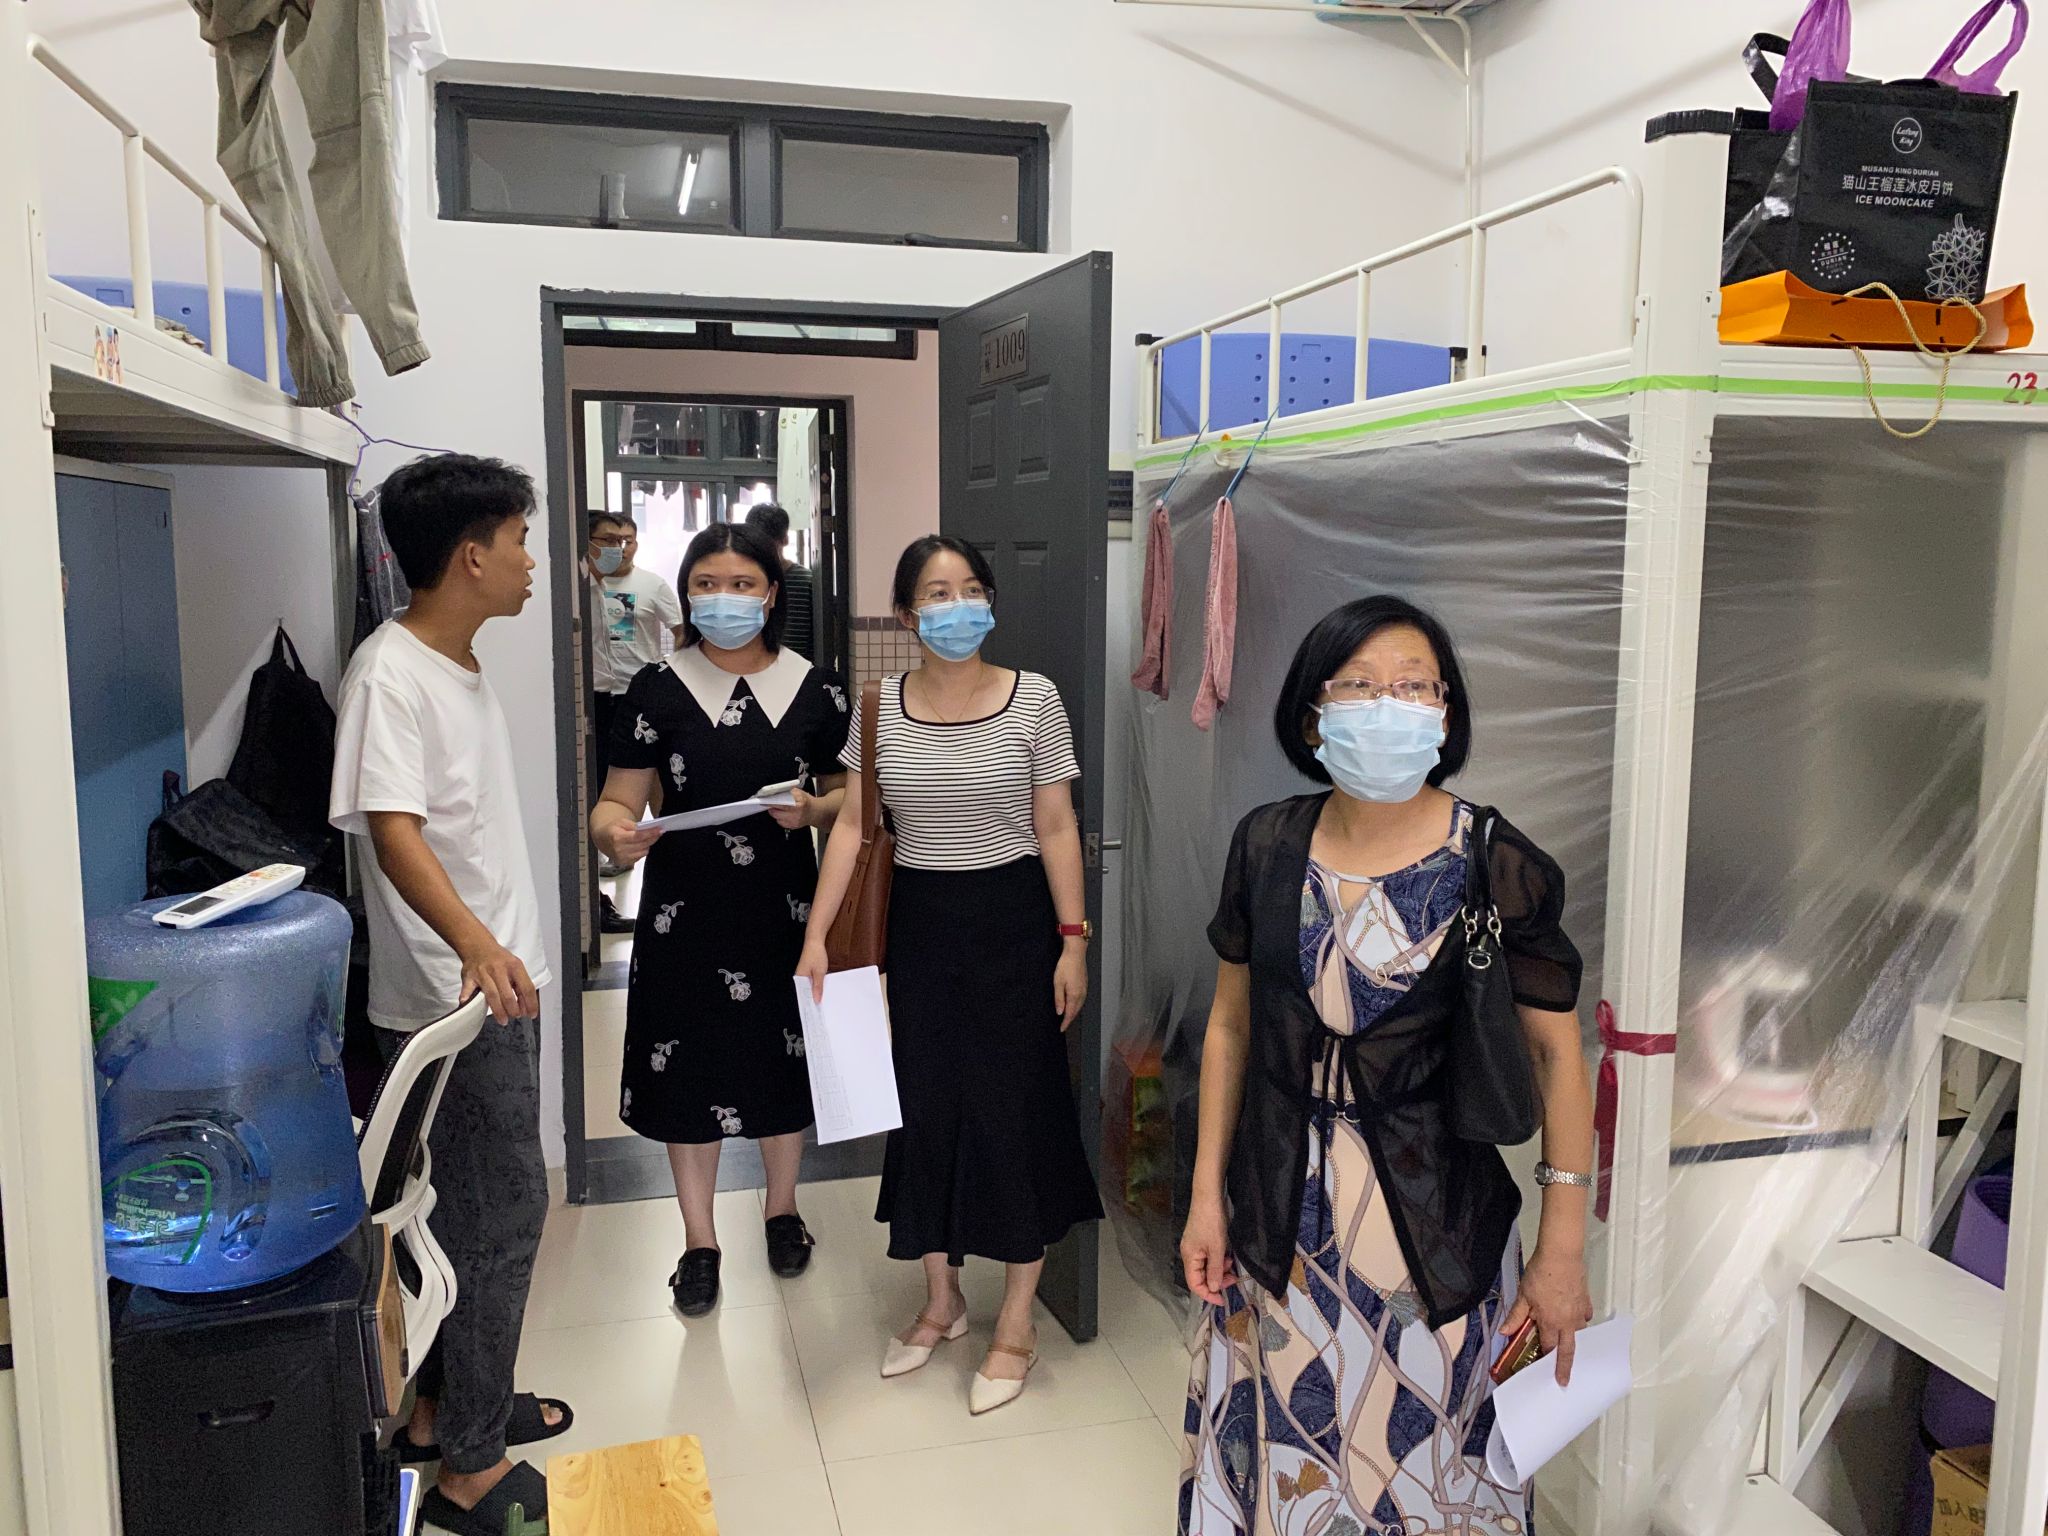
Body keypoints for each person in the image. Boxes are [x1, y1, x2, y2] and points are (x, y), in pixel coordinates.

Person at [1175, 596, 1596, 1536]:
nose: (1387, 706)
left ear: (1446, 713)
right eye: (1359, 686)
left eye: (1414, 687)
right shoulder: (1266, 845)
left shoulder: (1496, 862)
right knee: (1290, 1456)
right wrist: (1206, 1197)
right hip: (1279, 1217)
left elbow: (1558, 1057)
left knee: (1426, 1464)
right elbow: (1231, 1029)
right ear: (1312, 715)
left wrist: (1563, 1249)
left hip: (1436, 1231)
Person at [798, 535, 1103, 1416]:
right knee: (925, 1108)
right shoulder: (878, 708)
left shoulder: (1035, 699)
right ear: (906, 615)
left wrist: (1074, 942)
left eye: (972, 589)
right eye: (937, 593)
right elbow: (853, 828)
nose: (957, 607)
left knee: (1012, 1110)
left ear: (992, 602)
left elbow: (1055, 827)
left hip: (1016, 926)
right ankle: (941, 1300)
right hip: (921, 927)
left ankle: (1017, 1320)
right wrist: (817, 936)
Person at [329, 455, 571, 1536]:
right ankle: (471, 1468)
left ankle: (450, 1409)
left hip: (495, 984)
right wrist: (477, 948)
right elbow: (394, 833)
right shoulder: (390, 674)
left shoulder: (455, 663)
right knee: (502, 1214)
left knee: (463, 1213)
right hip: (457, 1003)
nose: (530, 562)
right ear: (471, 556)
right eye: (518, 541)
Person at [589, 521, 852, 1315]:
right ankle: (699, 1241)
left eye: (742, 584)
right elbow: (614, 801)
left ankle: (783, 1209)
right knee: (688, 1066)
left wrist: (812, 811)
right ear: (686, 593)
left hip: (785, 909)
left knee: (781, 1057)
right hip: (683, 912)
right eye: (707, 584)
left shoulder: (816, 689)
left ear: (771, 595)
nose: (724, 598)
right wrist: (613, 834)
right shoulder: (656, 688)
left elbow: (850, 797)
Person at [588, 510, 685, 933]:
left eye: (626, 540)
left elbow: (681, 632)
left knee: (659, 788)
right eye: (610, 540)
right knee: (611, 788)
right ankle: (614, 851)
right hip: (603, 700)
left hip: (642, 694)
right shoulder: (588, 584)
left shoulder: (651, 585)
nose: (620, 548)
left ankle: (670, 856)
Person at [745, 502, 816, 662]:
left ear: (784, 540)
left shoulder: (807, 582)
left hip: (797, 670)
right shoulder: (743, 582)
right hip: (753, 667)